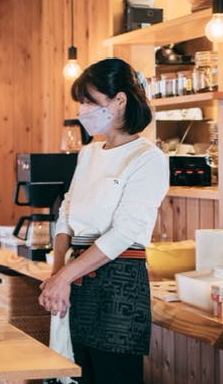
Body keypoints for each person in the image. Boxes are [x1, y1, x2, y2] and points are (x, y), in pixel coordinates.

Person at [38, 58, 169, 384]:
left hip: (119, 285)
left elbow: (124, 231)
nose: (82, 110)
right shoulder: (89, 153)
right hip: (74, 280)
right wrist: (58, 273)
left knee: (113, 375)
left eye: (89, 101)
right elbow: (66, 213)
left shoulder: (148, 158)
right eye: (81, 102)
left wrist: (65, 275)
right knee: (73, 371)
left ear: (120, 100)